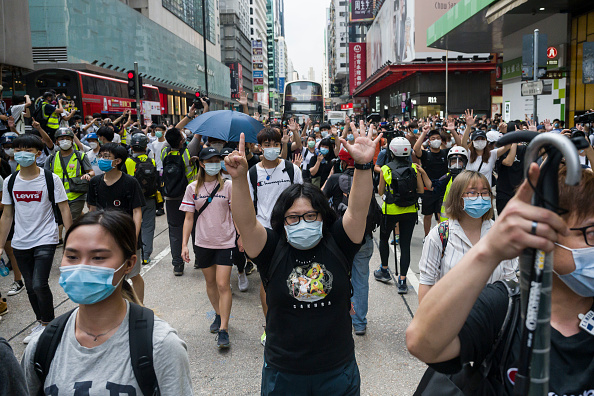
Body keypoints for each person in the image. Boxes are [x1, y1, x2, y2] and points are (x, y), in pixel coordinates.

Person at [407, 165, 594, 395]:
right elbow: (422, 340)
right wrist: (488, 251)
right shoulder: (505, 308)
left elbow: (509, 275)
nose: (479, 198)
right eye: (592, 233)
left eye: (485, 192)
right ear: (542, 233)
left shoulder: (497, 232)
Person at [226, 128, 381, 395]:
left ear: (323, 216)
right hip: (284, 373)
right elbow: (247, 223)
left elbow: (357, 210)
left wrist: (364, 166)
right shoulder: (271, 248)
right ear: (281, 221)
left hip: (337, 369)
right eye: (293, 217)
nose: (303, 222)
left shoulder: (339, 242)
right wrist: (239, 179)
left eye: (311, 215)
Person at [20, 210, 194, 395]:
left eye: (98, 257)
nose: (82, 267)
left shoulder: (161, 346)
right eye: (72, 257)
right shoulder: (42, 347)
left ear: (129, 264)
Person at [0, 134, 72, 343]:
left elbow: (64, 208)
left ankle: (49, 325)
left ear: (38, 153)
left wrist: (73, 238)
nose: (22, 154)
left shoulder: (50, 178)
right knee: (30, 286)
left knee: (40, 284)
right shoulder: (10, 181)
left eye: (28, 150)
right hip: (21, 241)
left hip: (46, 238)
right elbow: (7, 215)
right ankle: (41, 323)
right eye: (18, 149)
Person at [418, 171, 518, 302]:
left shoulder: (502, 234)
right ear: (457, 197)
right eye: (472, 192)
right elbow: (427, 282)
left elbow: (510, 282)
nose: (480, 197)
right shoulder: (440, 235)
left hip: (492, 318)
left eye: (484, 192)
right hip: (451, 318)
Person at [248, 126, 304, 346]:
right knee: (267, 282)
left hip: (290, 231)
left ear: (281, 145)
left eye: (275, 144)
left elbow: (302, 198)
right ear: (259, 147)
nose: (271, 148)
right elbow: (248, 206)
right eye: (266, 145)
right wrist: (243, 235)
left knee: (295, 277)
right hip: (264, 233)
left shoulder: (292, 170)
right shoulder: (252, 173)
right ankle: (270, 326)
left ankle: (294, 322)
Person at [180, 147, 235, 348]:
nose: (214, 163)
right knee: (210, 283)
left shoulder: (228, 186)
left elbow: (235, 213)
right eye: (209, 160)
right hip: (202, 242)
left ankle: (224, 329)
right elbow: (188, 217)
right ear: (201, 163)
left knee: (223, 284)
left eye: (217, 160)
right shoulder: (192, 188)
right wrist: (184, 245)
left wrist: (241, 237)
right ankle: (219, 315)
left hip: (226, 241)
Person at [323, 148, 379, 336]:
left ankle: (337, 317)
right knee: (361, 279)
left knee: (336, 277)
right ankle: (360, 322)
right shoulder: (367, 180)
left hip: (339, 238)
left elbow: (319, 201)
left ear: (344, 162)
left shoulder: (334, 179)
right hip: (364, 237)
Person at [87, 143, 146, 302]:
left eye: (107, 157)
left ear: (118, 161)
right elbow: (92, 210)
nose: (102, 160)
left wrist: (133, 238)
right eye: (101, 156)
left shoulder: (130, 182)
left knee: (133, 274)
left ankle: (139, 307)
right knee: (108, 275)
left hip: (126, 237)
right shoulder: (95, 183)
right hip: (103, 238)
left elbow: (137, 212)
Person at [374, 137, 429, 294]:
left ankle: (384, 270)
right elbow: (421, 190)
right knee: (405, 245)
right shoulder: (414, 167)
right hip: (410, 211)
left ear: (391, 151)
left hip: (390, 211)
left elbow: (380, 191)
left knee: (384, 239)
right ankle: (403, 281)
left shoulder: (385, 169)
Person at [414, 124, 461, 237]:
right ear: (429, 142)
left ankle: (442, 237)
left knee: (441, 215)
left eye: (438, 138)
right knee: (428, 215)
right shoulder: (425, 154)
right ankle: (427, 236)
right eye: (433, 139)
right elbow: (416, 149)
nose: (436, 140)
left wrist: (453, 131)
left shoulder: (446, 153)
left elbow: (460, 145)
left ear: (442, 141)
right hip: (428, 189)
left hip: (443, 190)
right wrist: (424, 133)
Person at [161, 128, 197, 276]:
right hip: (188, 197)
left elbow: (168, 138)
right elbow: (191, 178)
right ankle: (200, 259)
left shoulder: (164, 152)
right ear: (182, 141)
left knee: (175, 230)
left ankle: (177, 265)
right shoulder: (187, 153)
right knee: (194, 227)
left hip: (171, 198)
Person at [45, 127, 94, 221]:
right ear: (56, 142)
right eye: (61, 139)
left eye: (68, 138)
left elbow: (91, 171)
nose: (65, 141)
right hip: (58, 196)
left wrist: (88, 175)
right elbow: (45, 176)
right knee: (63, 220)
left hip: (77, 195)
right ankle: (84, 222)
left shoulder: (81, 156)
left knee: (69, 220)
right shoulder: (51, 158)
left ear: (72, 140)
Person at [125, 133, 158, 266]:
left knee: (132, 225)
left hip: (132, 201)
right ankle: (146, 256)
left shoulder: (128, 162)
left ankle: (133, 253)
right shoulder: (152, 161)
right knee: (148, 226)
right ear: (146, 147)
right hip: (149, 198)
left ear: (132, 147)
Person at [460, 110, 509, 187]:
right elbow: (463, 143)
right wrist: (468, 126)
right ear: (472, 142)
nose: (480, 141)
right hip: (470, 191)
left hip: (485, 193)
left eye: (482, 139)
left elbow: (508, 146)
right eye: (477, 139)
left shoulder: (492, 154)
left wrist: (505, 132)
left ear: (486, 141)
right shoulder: (469, 154)